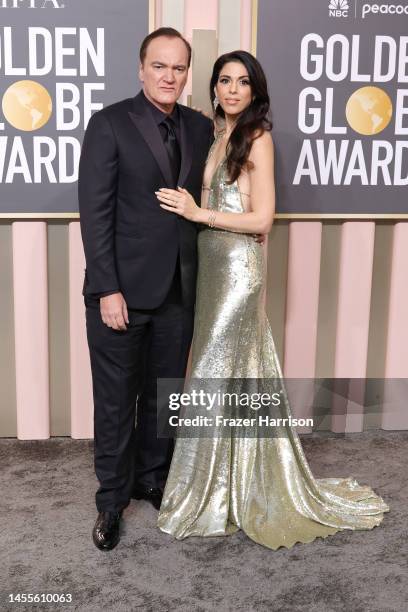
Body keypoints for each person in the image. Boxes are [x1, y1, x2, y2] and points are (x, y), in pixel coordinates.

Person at [156, 50, 390, 550]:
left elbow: (262, 220)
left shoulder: (256, 139)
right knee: (225, 369)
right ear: (214, 88)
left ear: (256, 91)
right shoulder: (216, 136)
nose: (233, 89)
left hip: (239, 268)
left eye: (243, 82)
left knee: (216, 369)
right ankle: (222, 481)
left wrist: (200, 214)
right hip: (212, 267)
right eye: (224, 80)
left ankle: (212, 490)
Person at [78, 27, 214, 551]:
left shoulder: (200, 127)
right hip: (121, 294)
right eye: (160, 66)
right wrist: (107, 288)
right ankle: (111, 501)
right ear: (141, 69)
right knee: (115, 402)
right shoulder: (110, 123)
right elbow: (95, 214)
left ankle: (152, 478)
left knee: (163, 398)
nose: (169, 76)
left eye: (179, 68)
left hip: (179, 289)